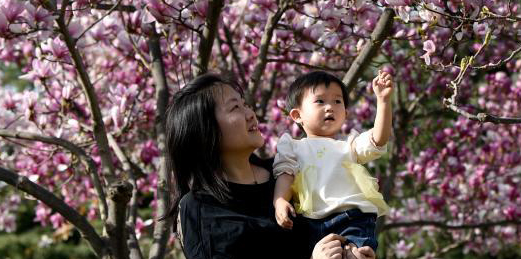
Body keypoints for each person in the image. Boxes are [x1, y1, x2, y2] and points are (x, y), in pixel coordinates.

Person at [164, 72, 375, 259]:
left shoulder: (286, 172)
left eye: (245, 104)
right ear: (204, 130)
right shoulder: (200, 209)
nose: (250, 113)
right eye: (235, 107)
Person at [272, 70, 393, 259]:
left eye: (337, 101)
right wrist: (279, 200)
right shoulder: (292, 146)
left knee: (355, 255)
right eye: (320, 101)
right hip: (308, 221)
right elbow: (285, 174)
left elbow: (378, 140)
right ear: (297, 115)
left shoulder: (349, 144)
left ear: (345, 112)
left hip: (351, 217)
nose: (330, 107)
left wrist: (383, 102)